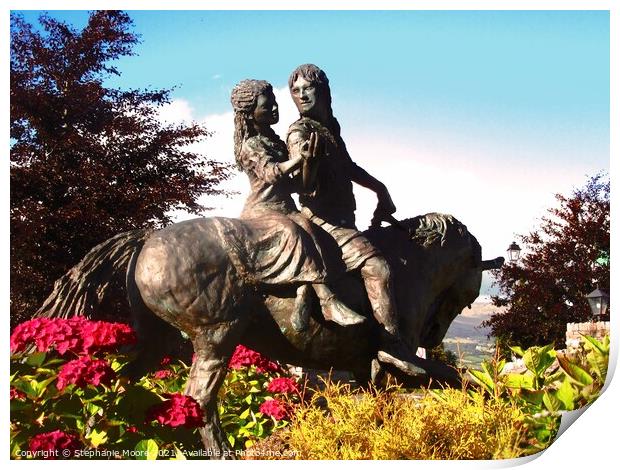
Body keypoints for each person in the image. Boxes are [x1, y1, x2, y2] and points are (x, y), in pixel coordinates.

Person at [286, 64, 422, 376]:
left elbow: (349, 166)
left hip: (345, 220)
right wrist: (309, 163)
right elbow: (302, 187)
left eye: (309, 89)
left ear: (324, 92)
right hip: (324, 223)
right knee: (378, 268)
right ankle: (391, 348)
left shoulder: (330, 127)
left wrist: (380, 190)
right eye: (296, 91)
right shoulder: (299, 132)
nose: (302, 95)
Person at [230, 79, 365, 330]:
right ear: (250, 114)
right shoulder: (251, 145)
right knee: (292, 231)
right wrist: (298, 159)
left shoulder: (277, 142)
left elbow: (297, 187)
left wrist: (310, 164)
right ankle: (328, 301)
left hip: (286, 208)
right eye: (266, 105)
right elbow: (271, 173)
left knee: (310, 228)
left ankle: (304, 292)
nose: (274, 108)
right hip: (262, 211)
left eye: (274, 102)